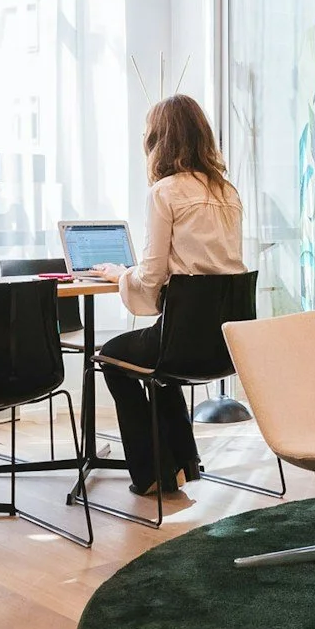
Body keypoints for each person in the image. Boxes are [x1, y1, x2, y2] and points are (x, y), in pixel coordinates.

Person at [91, 95, 246, 497]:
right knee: (161, 361)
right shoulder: (227, 192)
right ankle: (183, 464)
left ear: (158, 140)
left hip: (183, 340)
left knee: (112, 358)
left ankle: (151, 473)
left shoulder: (164, 192)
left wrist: (121, 275)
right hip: (228, 344)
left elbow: (152, 274)